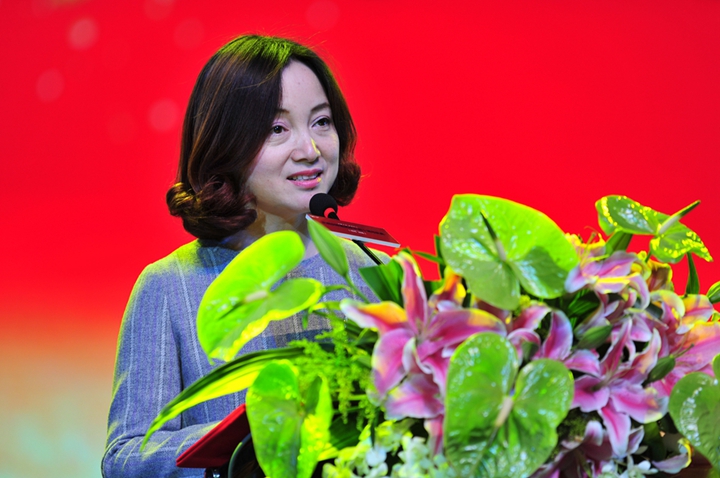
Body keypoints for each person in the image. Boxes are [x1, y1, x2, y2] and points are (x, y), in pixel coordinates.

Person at [102, 35, 384, 478]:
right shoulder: (168, 287)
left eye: (321, 122)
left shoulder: (375, 270)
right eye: (277, 129)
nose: (309, 150)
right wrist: (249, 446)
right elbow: (125, 458)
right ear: (226, 143)